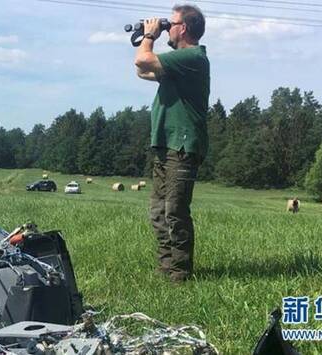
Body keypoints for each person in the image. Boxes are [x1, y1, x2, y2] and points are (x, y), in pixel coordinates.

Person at [134, 4, 210, 282]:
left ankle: (180, 274)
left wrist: (150, 36)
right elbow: (142, 70)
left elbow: (143, 60)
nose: (167, 26)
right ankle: (166, 268)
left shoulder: (193, 57)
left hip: (183, 145)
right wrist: (144, 38)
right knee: (158, 211)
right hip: (166, 145)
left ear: (183, 28)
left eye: (171, 22)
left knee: (175, 212)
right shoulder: (178, 64)